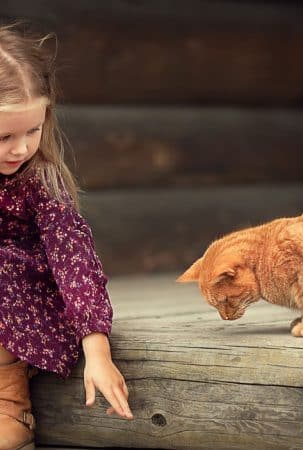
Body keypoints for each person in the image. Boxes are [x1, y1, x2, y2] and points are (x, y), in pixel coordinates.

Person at [0, 23, 133, 450]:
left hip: (29, 304)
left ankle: (10, 407)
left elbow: (75, 262)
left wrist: (98, 353)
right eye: (4, 136)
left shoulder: (40, 181)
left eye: (32, 131)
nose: (21, 148)